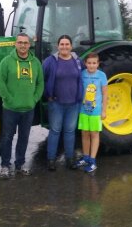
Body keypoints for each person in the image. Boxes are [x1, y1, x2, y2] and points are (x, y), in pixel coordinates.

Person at [0, 33, 44, 179]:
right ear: (15, 44)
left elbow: (40, 83)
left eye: (26, 43)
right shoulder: (7, 61)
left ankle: (20, 164)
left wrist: (34, 99)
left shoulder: (35, 63)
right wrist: (8, 99)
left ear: (29, 45)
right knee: (7, 137)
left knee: (24, 137)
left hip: (28, 109)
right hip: (10, 109)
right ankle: (5, 166)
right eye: (20, 42)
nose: (23, 45)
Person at [43, 34, 83, 171]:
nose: (64, 47)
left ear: (71, 46)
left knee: (70, 131)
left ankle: (70, 159)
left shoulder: (77, 61)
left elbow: (85, 75)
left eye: (67, 44)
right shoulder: (50, 61)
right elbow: (42, 78)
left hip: (74, 104)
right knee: (55, 131)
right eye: (62, 44)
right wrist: (47, 95)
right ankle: (51, 160)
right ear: (57, 46)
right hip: (56, 104)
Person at [75, 52, 108, 173]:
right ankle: (85, 157)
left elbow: (105, 94)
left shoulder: (102, 75)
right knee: (84, 133)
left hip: (96, 111)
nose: (91, 65)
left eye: (94, 63)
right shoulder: (82, 74)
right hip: (83, 110)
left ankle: (93, 160)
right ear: (85, 64)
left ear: (98, 64)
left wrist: (104, 110)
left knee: (94, 134)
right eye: (89, 63)